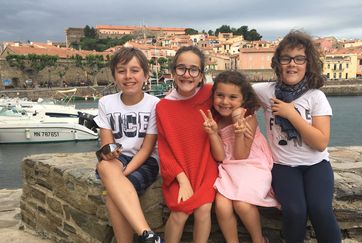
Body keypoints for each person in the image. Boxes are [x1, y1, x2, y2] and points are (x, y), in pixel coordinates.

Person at [253, 30, 342, 242]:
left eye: (299, 58)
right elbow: (233, 95)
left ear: (307, 63)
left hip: (316, 165)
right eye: (286, 58)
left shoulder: (316, 96)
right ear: (278, 63)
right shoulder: (265, 92)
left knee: (320, 210)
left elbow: (320, 143)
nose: (292, 64)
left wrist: (291, 115)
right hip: (283, 166)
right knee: (294, 212)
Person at [200, 70, 279, 243]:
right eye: (220, 95)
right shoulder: (217, 120)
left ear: (243, 100)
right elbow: (220, 156)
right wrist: (213, 134)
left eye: (232, 97)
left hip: (252, 164)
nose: (225, 102)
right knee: (221, 206)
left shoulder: (248, 118)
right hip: (229, 166)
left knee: (242, 204)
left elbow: (241, 154)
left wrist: (238, 131)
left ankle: (258, 240)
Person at [94, 47, 161, 243]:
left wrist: (121, 176)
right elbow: (107, 145)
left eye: (134, 70)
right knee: (104, 165)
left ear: (145, 75)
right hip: (118, 158)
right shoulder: (106, 103)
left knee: (114, 195)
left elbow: (147, 148)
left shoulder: (155, 104)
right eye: (122, 71)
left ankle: (144, 237)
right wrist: (108, 155)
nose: (128, 76)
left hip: (146, 160)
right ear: (114, 75)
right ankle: (148, 234)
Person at [156, 46, 218, 243]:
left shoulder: (210, 94)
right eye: (181, 68)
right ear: (173, 72)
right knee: (180, 212)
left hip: (206, 167)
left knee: (204, 209)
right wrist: (182, 180)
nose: (187, 74)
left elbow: (238, 95)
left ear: (201, 76)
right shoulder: (163, 107)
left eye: (193, 69)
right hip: (179, 171)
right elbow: (164, 150)